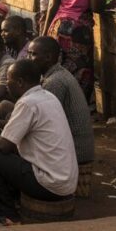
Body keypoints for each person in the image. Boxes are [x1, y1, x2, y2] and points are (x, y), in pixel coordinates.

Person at [0, 59, 78, 225]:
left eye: (9, 81)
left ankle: (5, 215)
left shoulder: (27, 103)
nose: (6, 86)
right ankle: (12, 202)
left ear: (20, 82)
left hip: (49, 184)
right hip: (65, 181)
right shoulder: (47, 96)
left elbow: (5, 145)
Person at [44, 0, 103, 98]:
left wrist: (45, 31)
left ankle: (56, 100)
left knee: (58, 66)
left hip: (58, 26)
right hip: (79, 30)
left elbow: (52, 5)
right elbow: (95, 7)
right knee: (81, 69)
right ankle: (77, 104)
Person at [28, 37, 95, 166]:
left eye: (33, 54)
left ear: (48, 57)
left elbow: (43, 123)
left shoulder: (54, 82)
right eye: (29, 54)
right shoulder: (56, 74)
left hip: (75, 153)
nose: (29, 58)